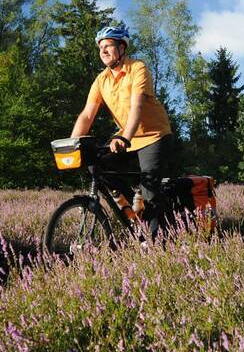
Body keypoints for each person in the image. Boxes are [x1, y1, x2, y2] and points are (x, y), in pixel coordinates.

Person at [70, 25, 174, 237]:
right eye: (101, 48)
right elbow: (87, 115)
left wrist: (124, 137)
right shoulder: (101, 80)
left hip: (153, 135)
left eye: (108, 46)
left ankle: (153, 242)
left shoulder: (137, 68)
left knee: (150, 189)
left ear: (121, 47)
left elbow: (137, 107)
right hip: (126, 136)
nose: (104, 51)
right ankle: (132, 206)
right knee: (95, 164)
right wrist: (71, 143)